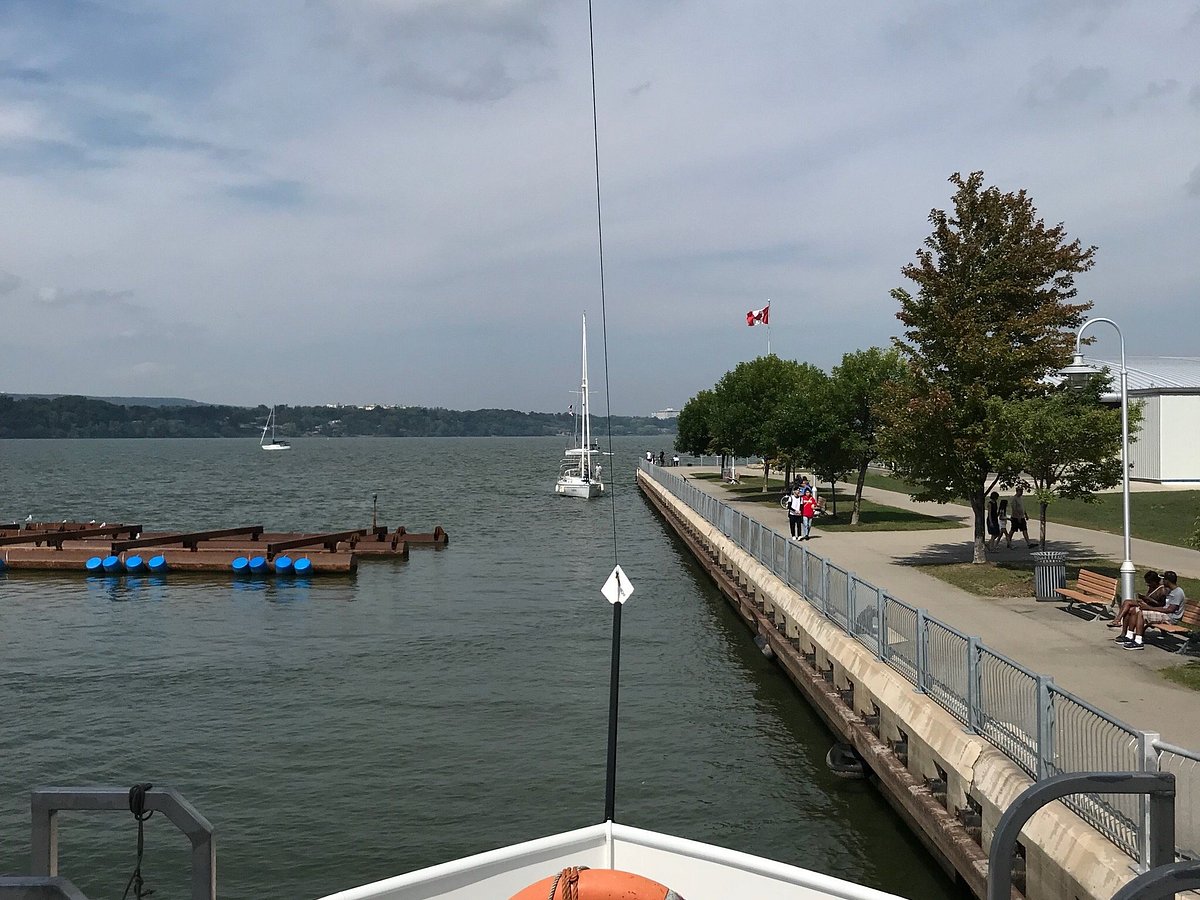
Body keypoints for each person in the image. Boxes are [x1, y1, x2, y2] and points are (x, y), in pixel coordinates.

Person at [1121, 571, 1187, 650]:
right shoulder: (1170, 590)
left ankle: (1138, 641)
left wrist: (1149, 608)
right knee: (1135, 610)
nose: (1161, 581)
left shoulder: (1178, 592)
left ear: (1167, 581)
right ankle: (1129, 635)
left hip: (1170, 618)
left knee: (1141, 613)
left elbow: (1170, 610)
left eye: (1163, 579)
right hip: (1165, 614)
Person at [1006, 485, 1036, 550]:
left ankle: (1029, 543)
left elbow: (1022, 508)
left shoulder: (1021, 498)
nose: (1022, 492)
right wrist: (1018, 517)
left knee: (1024, 530)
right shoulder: (1014, 499)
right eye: (1020, 491)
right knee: (1013, 530)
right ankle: (1009, 542)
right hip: (1015, 517)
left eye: (1022, 491)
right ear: (1017, 491)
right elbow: (1014, 509)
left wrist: (1026, 514)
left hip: (1022, 517)